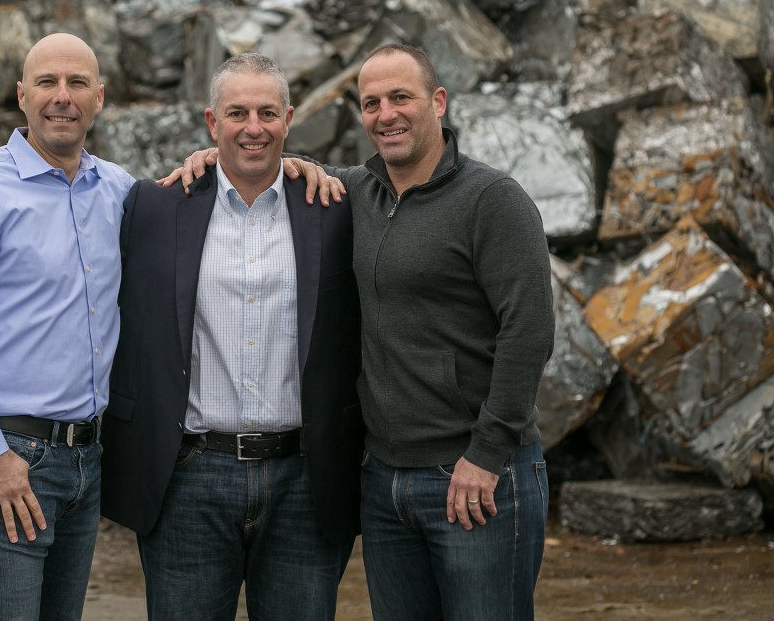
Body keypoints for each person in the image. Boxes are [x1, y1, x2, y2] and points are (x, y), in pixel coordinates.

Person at [0, 33, 338, 620]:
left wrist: (270, 162)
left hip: (85, 459)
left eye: (77, 84)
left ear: (100, 98)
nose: (63, 98)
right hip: (5, 452)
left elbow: (232, 166)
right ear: (21, 96)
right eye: (47, 83)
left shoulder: (120, 193)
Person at [178, 43, 554, 620]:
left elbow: (529, 331)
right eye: (371, 102)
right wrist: (210, 160)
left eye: (401, 97)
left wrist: (487, 454)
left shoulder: (493, 201)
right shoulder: (352, 193)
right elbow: (264, 160)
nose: (386, 114)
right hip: (383, 483)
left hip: (476, 476)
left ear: (438, 101)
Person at [99, 53, 364, 621]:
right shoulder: (153, 205)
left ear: (289, 119)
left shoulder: (334, 205)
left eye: (268, 113)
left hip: (304, 478)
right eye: (236, 113)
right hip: (189, 476)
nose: (253, 127)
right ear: (211, 123)